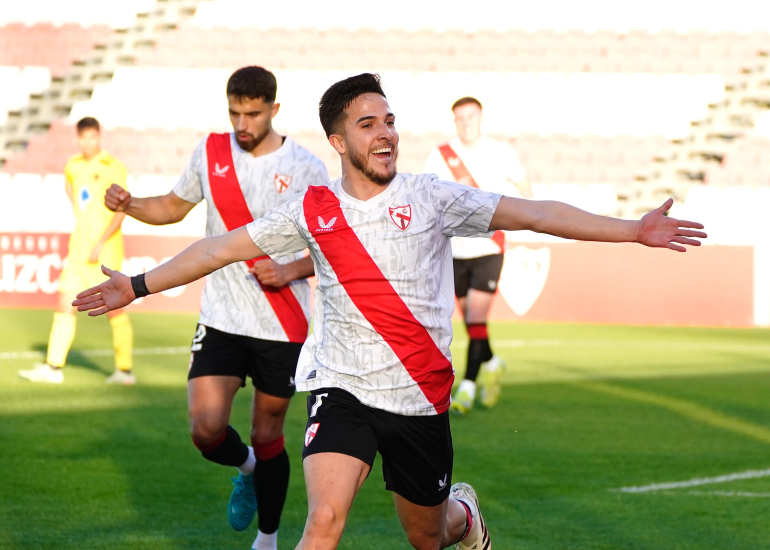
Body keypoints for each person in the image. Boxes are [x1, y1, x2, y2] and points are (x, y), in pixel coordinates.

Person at [72, 73, 706, 550]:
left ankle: (467, 515)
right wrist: (138, 284)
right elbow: (218, 247)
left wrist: (633, 229)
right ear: (339, 140)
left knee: (427, 537)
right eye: (369, 124)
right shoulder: (311, 210)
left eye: (390, 120)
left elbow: (535, 213)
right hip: (341, 388)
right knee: (322, 521)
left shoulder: (432, 197)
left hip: (418, 397)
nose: (386, 134)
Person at [102, 66, 328, 550]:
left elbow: (331, 243)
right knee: (205, 430)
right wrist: (129, 203)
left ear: (274, 110)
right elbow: (171, 206)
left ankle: (266, 538)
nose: (241, 123)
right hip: (221, 317)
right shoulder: (211, 152)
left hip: (283, 320)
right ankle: (246, 468)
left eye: (252, 113)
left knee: (268, 432)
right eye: (234, 112)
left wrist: (289, 271)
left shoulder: (307, 166)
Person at [424, 96, 530, 415]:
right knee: (472, 322)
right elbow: (429, 194)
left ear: (481, 118)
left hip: (489, 246)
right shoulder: (441, 155)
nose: (467, 122)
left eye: (471, 116)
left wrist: (530, 214)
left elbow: (524, 183)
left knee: (475, 318)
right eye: (461, 118)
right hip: (455, 249)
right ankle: (493, 363)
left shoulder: (501, 151)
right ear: (454, 121)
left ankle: (467, 387)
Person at [19, 117, 134, 385]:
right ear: (78, 138)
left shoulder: (112, 167)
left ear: (99, 137)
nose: (87, 142)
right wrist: (77, 209)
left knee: (114, 309)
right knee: (64, 304)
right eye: (83, 138)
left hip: (103, 253)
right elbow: (69, 185)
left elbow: (122, 212)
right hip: (78, 250)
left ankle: (125, 371)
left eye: (92, 137)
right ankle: (53, 367)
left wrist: (100, 243)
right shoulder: (73, 165)